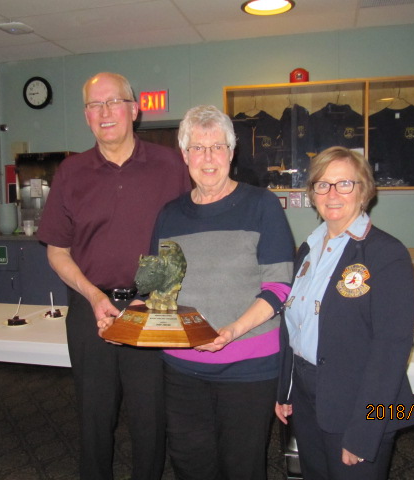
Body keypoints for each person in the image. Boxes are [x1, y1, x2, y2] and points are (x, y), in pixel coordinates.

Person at [36, 72, 191, 480]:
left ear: (134, 110)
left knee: (151, 419)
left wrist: (152, 296)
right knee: (93, 418)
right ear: (86, 116)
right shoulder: (71, 172)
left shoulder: (171, 165)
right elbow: (57, 249)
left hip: (154, 307)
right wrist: (92, 295)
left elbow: (184, 239)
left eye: (113, 102)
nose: (104, 112)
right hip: (93, 310)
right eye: (94, 105)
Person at [146, 105, 294, 480]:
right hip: (181, 368)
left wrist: (231, 331)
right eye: (198, 147)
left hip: (249, 369)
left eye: (217, 147)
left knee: (241, 466)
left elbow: (279, 287)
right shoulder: (168, 214)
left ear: (232, 152)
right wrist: (127, 318)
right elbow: (157, 290)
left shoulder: (262, 206)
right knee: (190, 463)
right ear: (185, 156)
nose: (208, 157)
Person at [275, 146, 414, 480]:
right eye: (322, 185)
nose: (332, 194)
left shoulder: (386, 254)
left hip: (358, 403)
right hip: (308, 399)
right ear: (312, 194)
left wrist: (364, 430)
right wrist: (285, 390)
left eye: (345, 184)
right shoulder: (308, 249)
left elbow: (391, 349)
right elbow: (294, 326)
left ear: (364, 190)